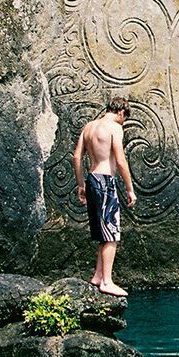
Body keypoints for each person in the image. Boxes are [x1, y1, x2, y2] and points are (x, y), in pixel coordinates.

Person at [74, 97, 137, 296]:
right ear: (121, 113)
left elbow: (77, 156)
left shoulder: (89, 127)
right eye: (124, 119)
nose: (123, 123)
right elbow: (120, 159)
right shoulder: (114, 128)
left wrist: (81, 184)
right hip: (105, 181)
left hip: (92, 179)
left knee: (103, 232)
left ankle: (98, 275)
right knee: (111, 233)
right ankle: (107, 282)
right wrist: (129, 188)